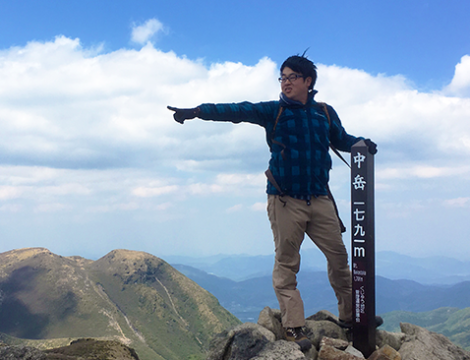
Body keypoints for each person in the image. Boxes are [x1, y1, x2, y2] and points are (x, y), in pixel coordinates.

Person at [168, 54, 377, 352]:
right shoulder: (274, 111)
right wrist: (197, 111)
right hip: (284, 200)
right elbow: (238, 110)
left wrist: (362, 144)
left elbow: (341, 139)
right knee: (287, 264)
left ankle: (350, 317)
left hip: (319, 198)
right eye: (282, 77)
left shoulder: (325, 113)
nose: (286, 82)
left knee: (339, 259)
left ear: (308, 81)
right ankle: (293, 326)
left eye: (292, 77)